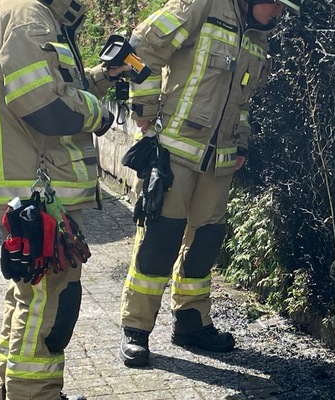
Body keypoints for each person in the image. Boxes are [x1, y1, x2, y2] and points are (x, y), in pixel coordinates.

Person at [118, 0, 302, 367]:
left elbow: (244, 101)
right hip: (173, 151)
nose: (279, 15)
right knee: (160, 237)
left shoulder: (257, 36)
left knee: (204, 242)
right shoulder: (201, 5)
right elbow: (141, 50)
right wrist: (145, 113)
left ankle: (191, 322)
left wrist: (243, 143)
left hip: (220, 161)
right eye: (277, 6)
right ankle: (135, 329)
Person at [0, 0, 129, 398]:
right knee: (51, 300)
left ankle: (14, 389)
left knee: (29, 294)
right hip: (41, 191)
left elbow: (55, 88)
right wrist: (99, 113)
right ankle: (35, 394)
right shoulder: (29, 16)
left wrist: (101, 76)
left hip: (33, 190)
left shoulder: (20, 12)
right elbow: (43, 106)